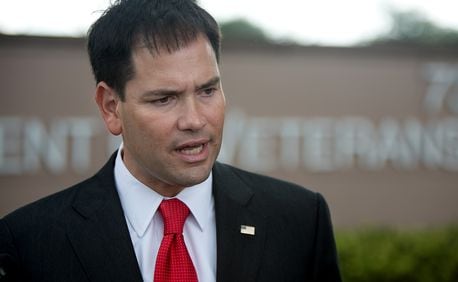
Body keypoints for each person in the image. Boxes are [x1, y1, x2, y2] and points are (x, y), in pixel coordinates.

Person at [0, 0, 342, 281]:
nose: (195, 120)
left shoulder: (298, 220)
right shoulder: (27, 243)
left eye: (208, 90)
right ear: (111, 107)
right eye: (164, 99)